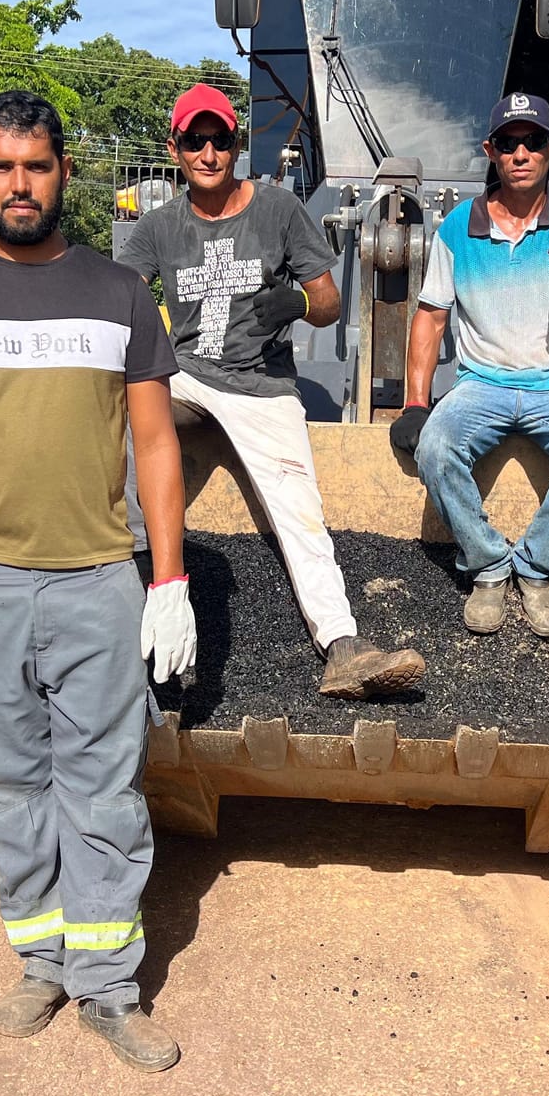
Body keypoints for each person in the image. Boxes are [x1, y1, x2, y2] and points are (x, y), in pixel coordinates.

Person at [0, 90, 193, 1074]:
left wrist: (168, 581)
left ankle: (107, 986)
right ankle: (42, 961)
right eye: (2, 166)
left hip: (98, 579)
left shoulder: (117, 294)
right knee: (8, 787)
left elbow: (153, 444)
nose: (21, 184)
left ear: (65, 173)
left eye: (39, 166)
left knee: (103, 789)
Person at [120, 83, 425, 698]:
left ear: (235, 144)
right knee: (126, 448)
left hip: (263, 388)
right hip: (188, 379)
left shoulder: (280, 211)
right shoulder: (157, 227)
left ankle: (342, 646)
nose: (208, 152)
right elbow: (116, 301)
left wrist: (300, 300)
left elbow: (332, 304)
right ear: (176, 148)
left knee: (299, 512)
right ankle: (119, 612)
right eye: (194, 140)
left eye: (220, 139)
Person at [390, 92, 549, 638]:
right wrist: (416, 403)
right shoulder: (454, 231)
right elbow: (430, 318)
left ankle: (537, 568)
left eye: (533, 141)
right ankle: (489, 567)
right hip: (479, 384)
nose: (521, 153)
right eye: (509, 143)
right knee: (437, 448)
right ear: (491, 151)